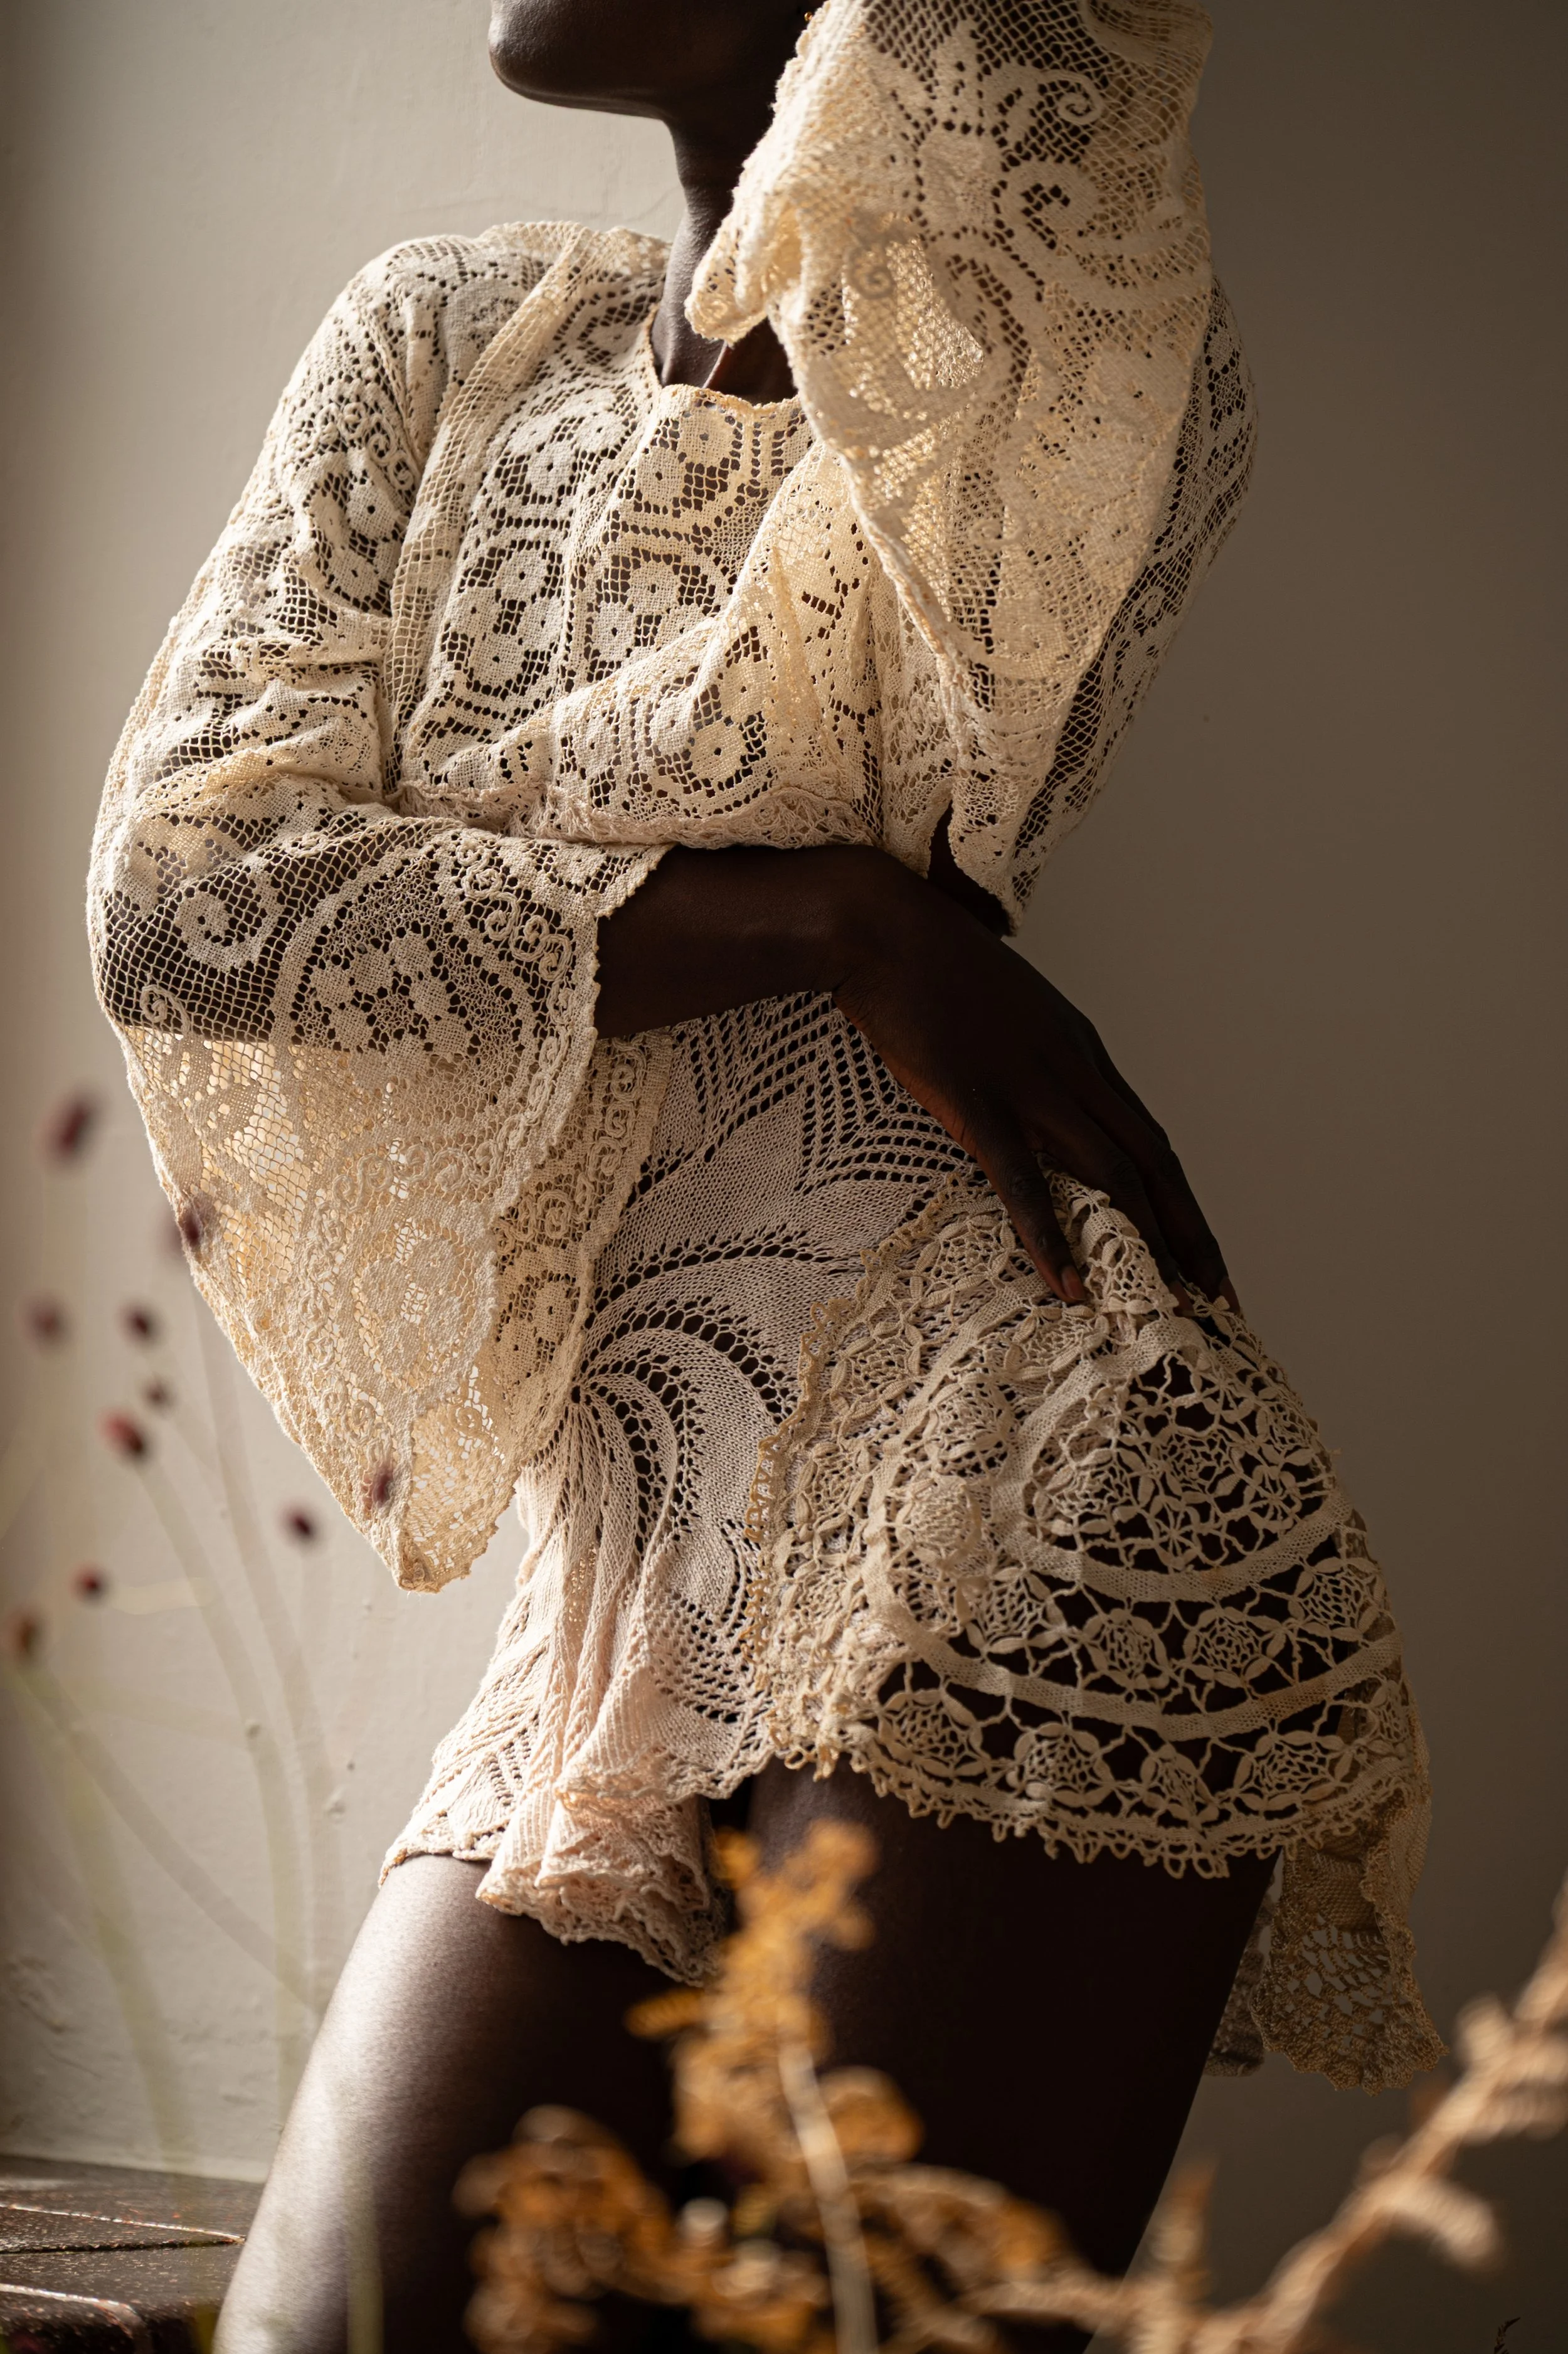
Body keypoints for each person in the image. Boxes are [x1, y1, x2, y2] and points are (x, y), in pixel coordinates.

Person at [89, 2, 1441, 2346]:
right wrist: (830, 921)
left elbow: (494, 835)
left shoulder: (1066, 378)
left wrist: (644, 900)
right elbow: (186, 904)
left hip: (1022, 1465)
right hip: (628, 1544)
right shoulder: (445, 331)